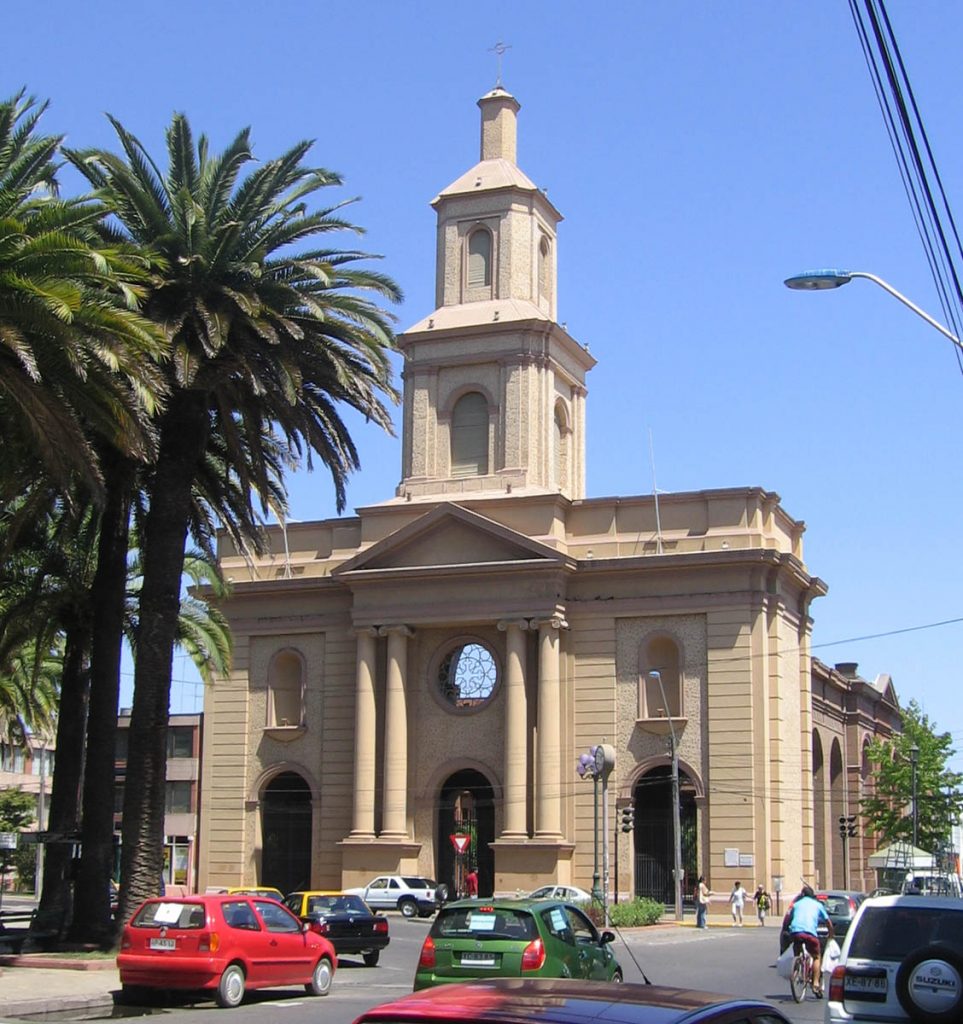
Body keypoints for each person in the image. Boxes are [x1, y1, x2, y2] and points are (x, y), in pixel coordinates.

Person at [786, 885, 834, 998]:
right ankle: (816, 983)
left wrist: (787, 929)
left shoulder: (796, 904)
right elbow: (828, 922)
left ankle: (797, 966)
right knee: (817, 956)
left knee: (797, 948)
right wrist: (831, 934)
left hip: (796, 932)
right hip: (810, 933)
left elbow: (789, 918)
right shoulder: (817, 905)